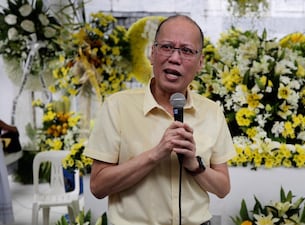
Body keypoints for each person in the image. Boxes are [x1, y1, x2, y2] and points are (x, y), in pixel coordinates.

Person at [83, 15, 236, 225]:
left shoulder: (211, 112)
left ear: (200, 63)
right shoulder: (118, 106)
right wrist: (155, 155)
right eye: (166, 47)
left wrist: (194, 164)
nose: (175, 58)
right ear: (152, 54)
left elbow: (222, 188)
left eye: (187, 51)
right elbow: (98, 187)